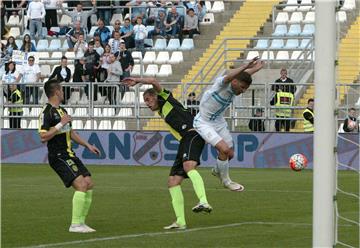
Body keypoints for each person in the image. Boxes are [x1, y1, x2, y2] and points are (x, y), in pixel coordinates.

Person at [123, 77, 212, 230]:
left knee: (189, 166)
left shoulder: (166, 98)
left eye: (148, 99)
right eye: (145, 100)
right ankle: (180, 221)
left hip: (192, 134)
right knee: (173, 181)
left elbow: (153, 81)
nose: (147, 102)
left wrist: (137, 80)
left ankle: (203, 201)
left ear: (156, 96)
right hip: (185, 140)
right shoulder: (161, 111)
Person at [38, 79, 100, 233]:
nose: (63, 92)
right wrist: (60, 124)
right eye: (62, 89)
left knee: (89, 183)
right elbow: (43, 137)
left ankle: (81, 222)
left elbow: (70, 133)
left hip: (70, 154)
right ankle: (75, 225)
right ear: (57, 92)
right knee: (81, 185)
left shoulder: (62, 111)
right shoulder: (47, 112)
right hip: (58, 156)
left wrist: (87, 145)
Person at [194, 57, 264, 191]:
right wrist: (246, 65)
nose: (243, 91)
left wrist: (256, 68)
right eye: (242, 88)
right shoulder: (222, 84)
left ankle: (216, 170)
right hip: (203, 121)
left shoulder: (237, 83)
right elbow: (230, 76)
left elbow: (244, 75)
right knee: (224, 150)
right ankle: (226, 181)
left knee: (230, 154)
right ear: (235, 82)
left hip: (218, 121)